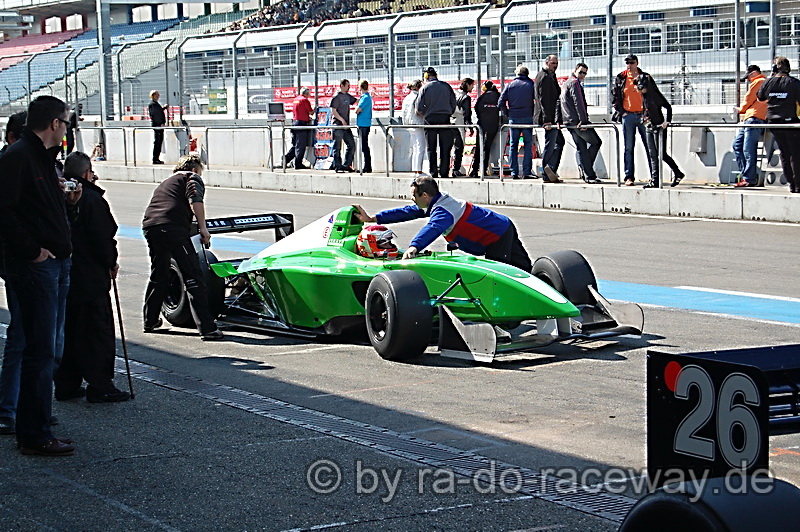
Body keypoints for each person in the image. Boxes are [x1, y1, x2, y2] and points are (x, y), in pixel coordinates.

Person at [0, 95, 80, 456]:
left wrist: (69, 205)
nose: (67, 129)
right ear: (54, 124)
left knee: (47, 348)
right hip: (36, 267)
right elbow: (5, 213)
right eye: (65, 122)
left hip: (55, 262)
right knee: (39, 349)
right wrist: (33, 251)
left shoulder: (45, 158)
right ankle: (34, 432)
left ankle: (38, 424)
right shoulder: (18, 157)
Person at [54, 152, 129, 403]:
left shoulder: (57, 195)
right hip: (90, 275)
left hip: (64, 273)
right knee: (96, 332)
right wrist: (111, 262)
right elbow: (102, 237)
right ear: (87, 173)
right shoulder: (92, 199)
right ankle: (100, 385)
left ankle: (66, 383)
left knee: (69, 330)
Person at [353, 176, 532, 272]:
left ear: (424, 196)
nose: (411, 199)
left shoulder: (444, 211)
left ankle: (506, 320)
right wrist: (373, 218)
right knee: (524, 268)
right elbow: (406, 212)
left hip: (497, 235)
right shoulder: (436, 202)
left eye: (414, 196)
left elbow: (434, 227)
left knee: (499, 275)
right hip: (500, 228)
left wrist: (414, 247)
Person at [141, 155, 224, 340]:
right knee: (193, 276)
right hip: (173, 227)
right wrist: (203, 229)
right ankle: (207, 328)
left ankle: (150, 320)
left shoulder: (165, 183)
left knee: (159, 273)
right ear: (195, 169)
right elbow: (195, 201)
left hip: (151, 226)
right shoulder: (191, 177)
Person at [0, 111, 28, 437]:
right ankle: (7, 409)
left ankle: (30, 409)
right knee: (21, 338)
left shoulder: (39, 165)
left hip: (41, 264)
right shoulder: (10, 168)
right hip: (19, 263)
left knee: (41, 340)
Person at [757, 56, 800, 194]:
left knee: (784, 153)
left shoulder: (768, 82)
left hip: (773, 122)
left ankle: (791, 184)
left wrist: (771, 78)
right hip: (790, 122)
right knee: (795, 153)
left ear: (774, 69)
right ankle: (798, 185)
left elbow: (760, 97)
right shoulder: (794, 83)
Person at [635, 73, 685, 189]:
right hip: (649, 127)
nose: (639, 90)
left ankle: (677, 173)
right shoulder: (644, 97)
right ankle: (655, 180)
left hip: (659, 127)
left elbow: (668, 107)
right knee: (652, 154)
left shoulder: (654, 95)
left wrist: (667, 122)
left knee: (661, 154)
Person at [612, 54, 651, 185]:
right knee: (628, 147)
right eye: (627, 63)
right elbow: (615, 95)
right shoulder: (621, 77)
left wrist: (648, 112)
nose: (629, 65)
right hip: (627, 115)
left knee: (650, 146)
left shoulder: (644, 77)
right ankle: (629, 176)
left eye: (632, 62)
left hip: (642, 115)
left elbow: (650, 95)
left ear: (637, 63)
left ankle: (654, 175)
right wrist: (620, 112)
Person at [561, 63, 603, 184]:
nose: (582, 75)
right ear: (575, 70)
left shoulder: (566, 83)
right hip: (577, 122)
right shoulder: (574, 83)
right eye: (581, 72)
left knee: (582, 147)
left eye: (584, 73)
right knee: (596, 142)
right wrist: (583, 121)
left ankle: (588, 173)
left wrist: (560, 120)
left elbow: (560, 102)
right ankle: (587, 170)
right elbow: (578, 102)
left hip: (569, 122)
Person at [415, 67, 457, 179]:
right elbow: (453, 102)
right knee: (445, 147)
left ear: (426, 77)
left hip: (430, 119)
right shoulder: (446, 86)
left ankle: (433, 172)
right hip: (445, 118)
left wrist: (425, 113)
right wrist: (449, 112)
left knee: (431, 147)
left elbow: (418, 107)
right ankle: (444, 172)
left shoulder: (424, 88)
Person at [498, 65, 536, 179]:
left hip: (513, 118)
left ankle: (514, 172)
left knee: (513, 145)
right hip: (528, 118)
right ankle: (527, 172)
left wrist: (507, 113)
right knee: (528, 145)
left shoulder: (510, 85)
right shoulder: (531, 85)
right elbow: (538, 100)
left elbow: (501, 101)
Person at [732, 65, 767, 188]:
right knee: (738, 145)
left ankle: (749, 178)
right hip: (752, 118)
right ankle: (747, 175)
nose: (748, 80)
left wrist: (741, 109)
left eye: (748, 77)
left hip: (754, 118)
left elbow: (749, 99)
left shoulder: (759, 81)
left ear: (753, 73)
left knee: (748, 149)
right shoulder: (764, 82)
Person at [534, 55, 565, 183]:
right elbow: (544, 100)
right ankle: (547, 172)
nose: (555, 65)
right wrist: (547, 119)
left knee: (558, 142)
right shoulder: (545, 77)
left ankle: (550, 169)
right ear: (547, 62)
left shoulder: (550, 76)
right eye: (553, 63)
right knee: (551, 144)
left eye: (556, 63)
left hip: (551, 117)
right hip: (548, 118)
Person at [470, 80, 501, 177]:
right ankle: (483, 170)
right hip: (493, 125)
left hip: (482, 125)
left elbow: (476, 108)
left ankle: (475, 170)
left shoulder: (482, 97)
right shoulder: (498, 96)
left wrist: (482, 118)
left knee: (479, 147)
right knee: (487, 148)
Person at [330, 79, 357, 173]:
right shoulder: (337, 97)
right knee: (337, 147)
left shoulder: (347, 96)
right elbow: (333, 111)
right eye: (347, 86)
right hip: (338, 125)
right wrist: (342, 120)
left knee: (351, 145)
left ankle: (346, 165)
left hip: (346, 126)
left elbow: (356, 101)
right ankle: (337, 166)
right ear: (342, 85)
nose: (349, 88)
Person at [451, 77, 475, 177]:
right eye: (472, 85)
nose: (473, 87)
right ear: (467, 85)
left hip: (449, 121)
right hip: (459, 123)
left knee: (450, 147)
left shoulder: (454, 94)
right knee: (459, 147)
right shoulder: (466, 98)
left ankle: (446, 168)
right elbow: (467, 114)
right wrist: (470, 127)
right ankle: (456, 169)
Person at [285, 87, 314, 170]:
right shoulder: (304, 100)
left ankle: (286, 159)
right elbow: (310, 112)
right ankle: (298, 163)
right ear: (306, 93)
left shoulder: (296, 99)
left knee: (295, 145)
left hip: (294, 123)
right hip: (301, 124)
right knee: (301, 146)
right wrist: (315, 109)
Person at [402, 80, 426, 175]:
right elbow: (419, 111)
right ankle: (418, 169)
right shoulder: (417, 97)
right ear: (418, 87)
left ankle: (415, 168)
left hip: (409, 124)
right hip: (418, 123)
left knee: (415, 147)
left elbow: (403, 112)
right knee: (420, 147)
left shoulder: (407, 98)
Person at [355, 79, 373, 173]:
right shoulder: (366, 97)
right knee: (364, 145)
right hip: (364, 124)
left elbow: (357, 110)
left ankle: (367, 166)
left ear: (360, 87)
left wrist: (356, 108)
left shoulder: (365, 97)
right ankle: (366, 166)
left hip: (363, 124)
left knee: (364, 146)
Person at [148, 90, 167, 164]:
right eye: (156, 95)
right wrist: (160, 123)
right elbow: (155, 115)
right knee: (157, 142)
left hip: (159, 125)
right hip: (157, 126)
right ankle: (155, 159)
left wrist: (163, 108)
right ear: (152, 96)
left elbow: (158, 112)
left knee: (159, 142)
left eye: (158, 95)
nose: (158, 96)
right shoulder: (152, 104)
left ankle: (157, 158)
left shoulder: (155, 104)